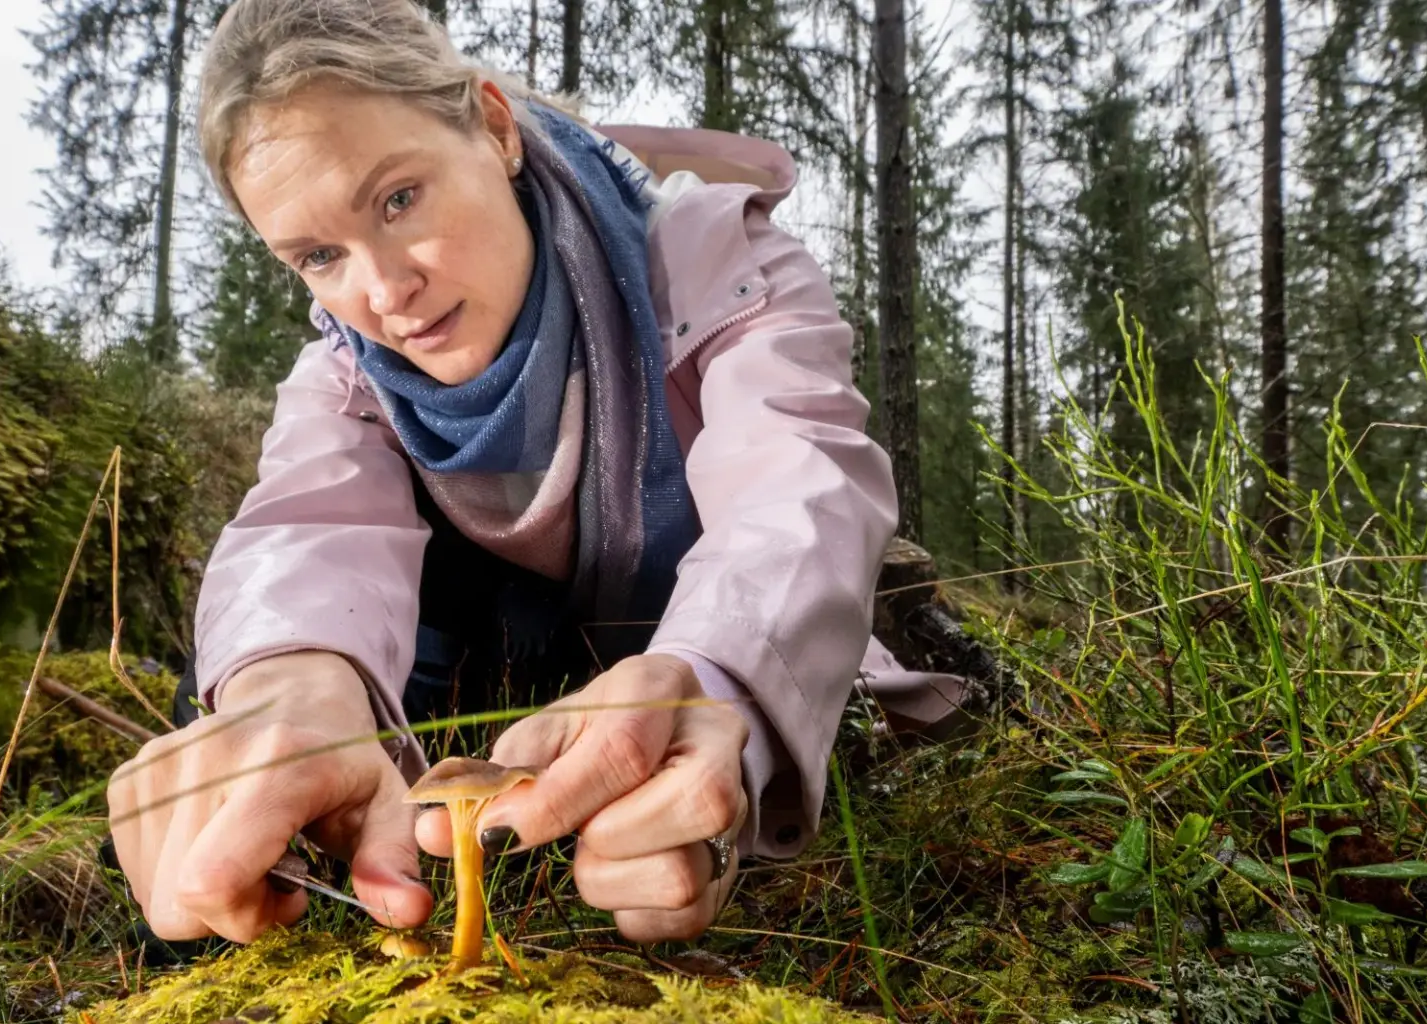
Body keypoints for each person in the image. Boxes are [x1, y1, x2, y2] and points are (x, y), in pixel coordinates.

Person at [105, 0, 977, 949]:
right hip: (495, 692)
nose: (387, 292)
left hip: (687, 643)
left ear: (494, 126)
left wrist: (714, 685)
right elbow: (304, 530)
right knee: (233, 689)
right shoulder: (347, 374)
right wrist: (294, 696)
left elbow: (799, 481)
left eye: (399, 200)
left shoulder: (716, 264)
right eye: (320, 255)